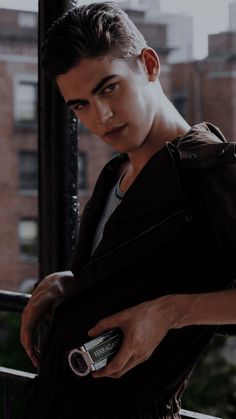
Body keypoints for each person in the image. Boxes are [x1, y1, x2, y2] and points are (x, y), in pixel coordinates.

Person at [20, 2, 236, 418]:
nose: (100, 117)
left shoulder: (211, 170)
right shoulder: (116, 171)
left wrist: (172, 312)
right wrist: (75, 283)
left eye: (108, 88)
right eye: (80, 105)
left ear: (149, 65)